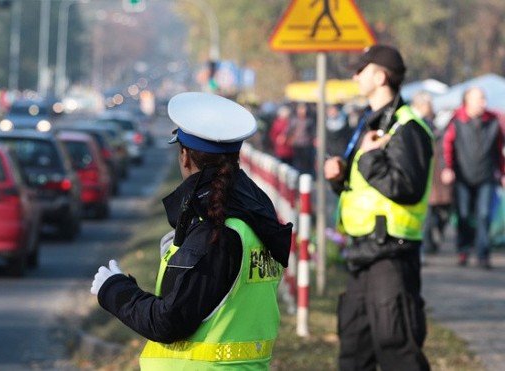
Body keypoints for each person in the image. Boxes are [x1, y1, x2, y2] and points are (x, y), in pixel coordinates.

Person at [90, 92, 293, 369]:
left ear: (185, 156)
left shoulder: (216, 233)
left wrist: (113, 290)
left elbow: (169, 322)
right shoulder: (257, 214)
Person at [323, 45, 433, 370]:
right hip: (363, 254)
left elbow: (406, 188)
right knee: (354, 354)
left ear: (380, 76)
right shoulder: (370, 124)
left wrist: (370, 158)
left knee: (398, 351)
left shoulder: (407, 127)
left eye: (361, 69)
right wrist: (339, 177)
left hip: (391, 257)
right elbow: (364, 188)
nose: (355, 75)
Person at [441, 86, 505, 269]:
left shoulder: (493, 121)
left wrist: (502, 172)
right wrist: (447, 168)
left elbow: (499, 151)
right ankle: (463, 249)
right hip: (463, 177)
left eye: (484, 99)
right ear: (467, 101)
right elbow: (447, 146)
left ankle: (483, 253)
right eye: (479, 99)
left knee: (484, 215)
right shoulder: (456, 121)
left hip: (486, 176)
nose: (483, 103)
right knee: (462, 214)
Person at [410, 91, 453, 261]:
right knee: (427, 211)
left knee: (440, 210)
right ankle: (426, 244)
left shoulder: (433, 124)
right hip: (426, 172)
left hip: (435, 172)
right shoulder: (416, 124)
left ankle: (429, 241)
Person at [288, 102, 316, 176]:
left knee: (306, 162)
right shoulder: (294, 120)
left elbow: (312, 131)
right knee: (297, 161)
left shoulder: (309, 120)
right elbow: (289, 130)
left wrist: (315, 139)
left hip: (306, 144)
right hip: (297, 144)